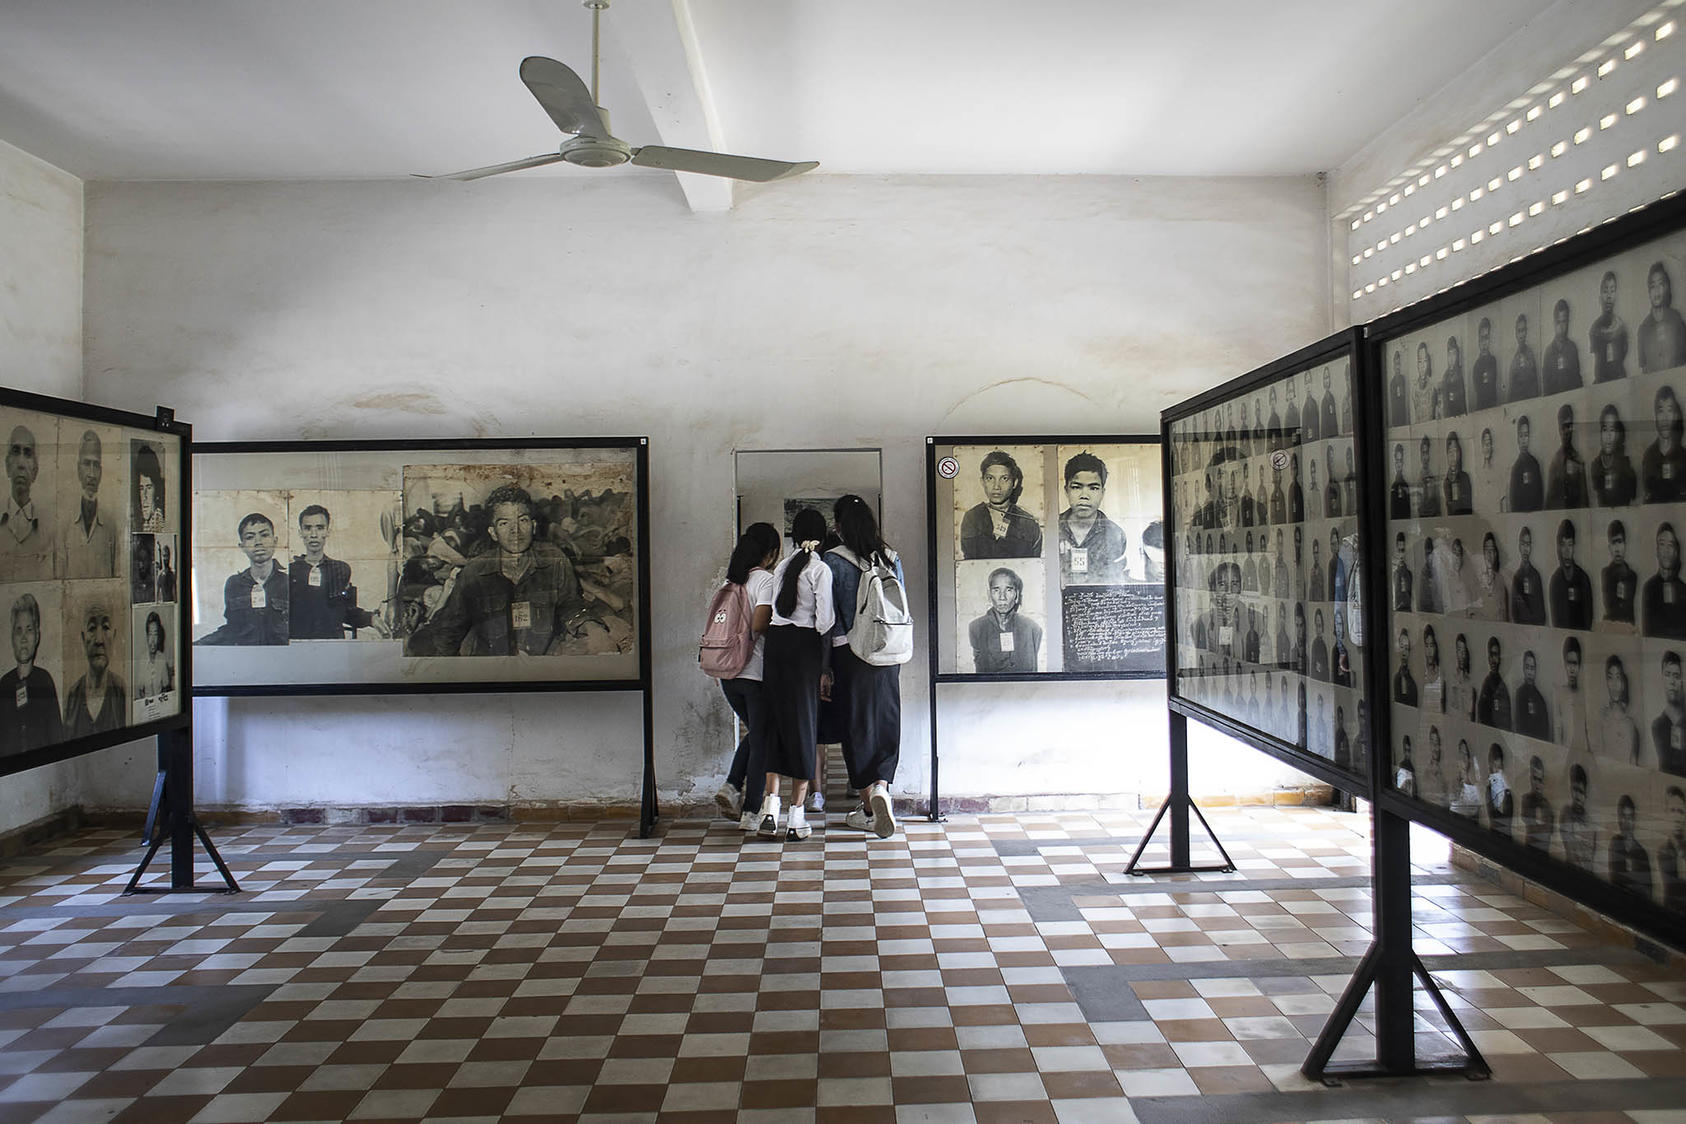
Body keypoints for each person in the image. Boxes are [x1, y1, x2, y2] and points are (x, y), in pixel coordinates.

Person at [407, 486, 584, 656]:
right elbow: (450, 628)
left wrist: (588, 625)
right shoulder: (475, 571)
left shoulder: (554, 560)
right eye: (504, 523)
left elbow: (571, 606)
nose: (515, 531)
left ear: (534, 525)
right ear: (493, 532)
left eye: (522, 520)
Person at [824, 496, 904, 840]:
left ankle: (869, 807)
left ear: (838, 527)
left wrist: (827, 665)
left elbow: (830, 619)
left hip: (850, 655)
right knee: (887, 720)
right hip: (888, 651)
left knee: (857, 727)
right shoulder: (890, 557)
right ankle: (883, 786)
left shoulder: (833, 560)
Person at [757, 509, 834, 842]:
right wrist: (826, 666)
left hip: (776, 646)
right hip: (804, 647)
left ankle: (769, 808)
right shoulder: (820, 569)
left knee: (775, 723)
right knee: (804, 725)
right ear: (823, 535)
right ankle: (796, 817)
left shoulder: (782, 567)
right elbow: (825, 621)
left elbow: (775, 611)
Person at [711, 523, 780, 831]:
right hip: (754, 671)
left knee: (757, 732)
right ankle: (750, 811)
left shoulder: (730, 580)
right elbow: (761, 622)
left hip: (727, 674)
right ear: (772, 553)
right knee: (762, 739)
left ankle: (731, 785)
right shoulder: (765, 579)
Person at [288, 504, 386, 640]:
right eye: (308, 528)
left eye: (320, 528)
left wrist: (371, 619)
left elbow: (346, 612)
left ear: (328, 531)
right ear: (300, 532)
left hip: (332, 645)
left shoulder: (340, 570)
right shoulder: (290, 572)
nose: (314, 534)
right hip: (299, 645)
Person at [196, 512, 290, 646]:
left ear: (275, 541)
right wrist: (198, 645)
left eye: (264, 535)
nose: (258, 542)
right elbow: (232, 630)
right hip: (245, 659)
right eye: (250, 537)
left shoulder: (289, 583)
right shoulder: (234, 584)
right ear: (242, 547)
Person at [0, 594, 61, 755]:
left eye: (29, 630)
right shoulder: (4, 684)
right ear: (12, 638)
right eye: (18, 630)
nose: (24, 638)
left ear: (37, 637)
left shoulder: (44, 681)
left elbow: (56, 740)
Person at [1056, 453, 1128, 584]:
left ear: (1102, 493)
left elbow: (1117, 583)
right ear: (1066, 490)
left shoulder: (1115, 535)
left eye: (1093, 488)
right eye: (1076, 487)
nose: (1084, 495)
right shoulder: (1051, 530)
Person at [960, 451, 1043, 559]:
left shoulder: (1028, 523)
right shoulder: (972, 518)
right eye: (990, 478)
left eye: (1004, 478)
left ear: (1014, 483)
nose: (996, 486)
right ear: (982, 481)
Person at [62, 598, 125, 737]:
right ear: (83, 638)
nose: (99, 640)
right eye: (92, 628)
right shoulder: (73, 696)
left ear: (113, 637)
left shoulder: (121, 690)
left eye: (106, 627)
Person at [1, 424, 54, 581]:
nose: (21, 464)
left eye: (28, 453)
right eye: (16, 452)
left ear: (35, 470)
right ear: (7, 465)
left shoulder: (49, 529)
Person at [63, 429, 117, 579]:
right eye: (87, 464)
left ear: (101, 471)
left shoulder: (111, 526)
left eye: (96, 465)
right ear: (78, 469)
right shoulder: (64, 525)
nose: (91, 474)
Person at [969, 566, 1041, 674]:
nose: (1002, 597)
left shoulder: (1031, 628)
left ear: (1016, 595)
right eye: (996, 590)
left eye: (1008, 590)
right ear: (989, 595)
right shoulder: (976, 628)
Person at [1638, 260, 1686, 373]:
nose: (1657, 290)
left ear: (1666, 288)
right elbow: (1643, 370)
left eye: (1660, 284)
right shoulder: (1643, 329)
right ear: (1649, 292)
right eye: (1653, 286)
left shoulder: (1677, 320)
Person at [1642, 385, 1686, 502]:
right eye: (1661, 411)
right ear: (1655, 416)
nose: (1665, 418)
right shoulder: (1648, 456)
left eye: (1670, 410)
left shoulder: (1683, 456)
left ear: (1676, 416)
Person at [1643, 522, 1686, 640]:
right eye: (1662, 544)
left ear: (1676, 552)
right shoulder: (1649, 588)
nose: (1666, 550)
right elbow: (1648, 632)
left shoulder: (1683, 589)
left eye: (1670, 545)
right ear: (1657, 551)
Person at [1596, 654, 1642, 765]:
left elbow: (1633, 764)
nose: (1614, 684)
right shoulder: (1601, 718)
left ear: (1623, 683)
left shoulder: (1631, 725)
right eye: (1610, 678)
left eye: (1618, 677)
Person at [1548, 519, 1593, 631]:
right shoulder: (1555, 580)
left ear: (1574, 546)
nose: (1567, 551)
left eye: (1570, 544)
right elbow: (1556, 622)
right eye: (1563, 545)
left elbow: (1588, 619)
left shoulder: (1583, 578)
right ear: (1558, 547)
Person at [1591, 404, 1637, 507]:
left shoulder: (1626, 467)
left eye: (1612, 430)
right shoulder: (1595, 466)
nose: (1608, 436)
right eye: (1604, 430)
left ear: (1618, 434)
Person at [1609, 794, 1653, 899]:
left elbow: (1648, 890)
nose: (1627, 822)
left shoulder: (1642, 853)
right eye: (1623, 817)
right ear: (1619, 819)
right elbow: (1614, 878)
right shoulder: (1615, 843)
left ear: (1634, 820)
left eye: (1630, 817)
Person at [1589, 269, 1629, 382]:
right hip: (1601, 381)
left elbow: (1624, 352)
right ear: (1600, 295)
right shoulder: (1595, 328)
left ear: (1616, 294)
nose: (1609, 296)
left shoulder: (1622, 327)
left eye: (1612, 290)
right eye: (1606, 291)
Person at [1545, 404, 1588, 510]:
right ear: (1559, 429)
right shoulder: (1555, 462)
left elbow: (1585, 499)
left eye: (1569, 426)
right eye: (1563, 427)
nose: (1566, 432)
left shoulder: (1578, 459)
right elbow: (1549, 502)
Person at [1555, 637, 1591, 753]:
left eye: (1575, 663)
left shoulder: (1585, 694)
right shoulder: (1559, 694)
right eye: (1569, 663)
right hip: (1566, 752)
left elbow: (1588, 729)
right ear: (1564, 664)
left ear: (1579, 665)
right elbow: (1558, 729)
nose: (1571, 669)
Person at [1560, 764, 1599, 870]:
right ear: (1570, 789)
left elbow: (1590, 857)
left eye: (1580, 792)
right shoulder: (1566, 813)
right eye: (1575, 789)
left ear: (1585, 794)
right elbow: (1572, 850)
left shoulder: (1591, 824)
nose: (1577, 795)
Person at [1653, 650, 1686, 775]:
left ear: (1681, 680)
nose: (1672, 681)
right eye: (1668, 674)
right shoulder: (1658, 725)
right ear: (1661, 677)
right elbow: (1666, 768)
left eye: (1676, 676)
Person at [1543, 298, 1583, 395]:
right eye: (1558, 322)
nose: (1561, 327)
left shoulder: (1572, 348)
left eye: (1564, 321)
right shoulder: (1548, 352)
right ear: (1553, 323)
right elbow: (1546, 387)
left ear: (1568, 322)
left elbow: (1578, 381)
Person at [1603, 519, 1639, 625]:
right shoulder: (1605, 574)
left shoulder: (1632, 576)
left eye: (1620, 542)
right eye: (1614, 543)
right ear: (1609, 547)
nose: (1617, 549)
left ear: (1625, 545)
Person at [1510, 526, 1547, 625]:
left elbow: (1542, 613)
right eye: (1523, 544)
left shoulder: (1536, 576)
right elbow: (1514, 612)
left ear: (1531, 547)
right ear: (1519, 546)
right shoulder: (1516, 577)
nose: (1525, 549)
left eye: (1528, 544)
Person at [134, 611, 174, 700]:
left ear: (159, 637)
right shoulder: (142, 660)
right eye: (150, 634)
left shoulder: (162, 659)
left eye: (155, 634)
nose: (152, 640)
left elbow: (165, 688)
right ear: (147, 636)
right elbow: (141, 690)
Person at [1508, 415, 1544, 512]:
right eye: (1521, 436)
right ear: (1517, 439)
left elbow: (1540, 496)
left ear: (1529, 437)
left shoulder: (1535, 464)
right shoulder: (1516, 468)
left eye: (1526, 435)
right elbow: (1514, 503)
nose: (1524, 440)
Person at [1514, 650, 1551, 740]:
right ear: (1523, 668)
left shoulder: (1540, 698)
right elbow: (1519, 726)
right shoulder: (1519, 693)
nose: (1530, 672)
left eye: (1532, 668)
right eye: (1527, 667)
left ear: (1535, 670)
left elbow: (1545, 730)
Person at [1478, 636, 1512, 730]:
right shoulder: (1487, 684)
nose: (1493, 659)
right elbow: (1482, 715)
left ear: (1500, 657)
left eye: (1496, 655)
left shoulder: (1502, 685)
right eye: (1491, 655)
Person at [1521, 756, 1555, 851]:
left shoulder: (1546, 804)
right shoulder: (1526, 799)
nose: (1537, 784)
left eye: (1540, 780)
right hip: (1531, 849)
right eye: (1535, 779)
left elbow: (1549, 830)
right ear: (1530, 778)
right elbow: (1533, 828)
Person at [1660, 785, 1686, 912]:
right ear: (1666, 814)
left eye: (1681, 811)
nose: (1676, 817)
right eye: (1673, 810)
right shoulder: (1663, 851)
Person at [1473, 532, 1509, 621]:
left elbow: (1504, 612)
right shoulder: (1478, 580)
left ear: (1495, 554)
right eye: (1486, 550)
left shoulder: (1501, 580)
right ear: (1483, 553)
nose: (1489, 554)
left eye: (1492, 550)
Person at [132, 441, 166, 533]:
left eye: (149, 487)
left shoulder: (159, 522)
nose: (144, 496)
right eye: (141, 489)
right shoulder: (143, 523)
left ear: (156, 489)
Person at [1508, 313, 1541, 401]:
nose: (1521, 335)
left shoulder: (1530, 354)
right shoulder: (1514, 358)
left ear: (1526, 332)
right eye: (1519, 331)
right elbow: (1511, 388)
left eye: (1523, 330)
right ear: (1516, 333)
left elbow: (1535, 384)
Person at [1485, 743, 1515, 837]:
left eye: (1499, 767)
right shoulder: (1489, 790)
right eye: (1494, 765)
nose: (1497, 771)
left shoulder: (1507, 791)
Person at [1471, 317, 1501, 409]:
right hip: (1481, 407)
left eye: (1486, 337)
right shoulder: (1476, 365)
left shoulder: (1493, 361)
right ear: (1478, 340)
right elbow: (1479, 390)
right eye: (1482, 338)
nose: (1484, 342)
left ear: (1490, 339)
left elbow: (1493, 385)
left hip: (1493, 405)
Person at [1451, 740, 1481, 819]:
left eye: (1465, 754)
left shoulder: (1475, 790)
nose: (1463, 758)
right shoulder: (1455, 784)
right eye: (1461, 753)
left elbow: (1471, 811)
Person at [1443, 432, 1473, 515]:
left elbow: (1467, 505)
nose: (1453, 455)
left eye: (1455, 451)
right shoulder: (1446, 481)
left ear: (1459, 453)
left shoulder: (1464, 477)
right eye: (1450, 452)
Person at [1449, 634, 1477, 720]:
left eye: (1464, 651)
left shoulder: (1470, 684)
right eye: (1459, 650)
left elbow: (1471, 714)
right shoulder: (1451, 680)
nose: (1462, 655)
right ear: (1456, 652)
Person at [1412, 341, 1439, 423]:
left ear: (1428, 362)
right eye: (1420, 361)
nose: (1422, 366)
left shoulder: (1433, 387)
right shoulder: (1414, 389)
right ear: (1417, 364)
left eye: (1425, 361)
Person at [1442, 334, 1468, 417]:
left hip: (1461, 413)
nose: (1451, 358)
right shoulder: (1445, 376)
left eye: (1454, 354)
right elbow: (1445, 402)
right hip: (1449, 414)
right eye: (1449, 354)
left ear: (1457, 355)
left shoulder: (1461, 373)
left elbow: (1463, 399)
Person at [1415, 436, 1440, 518]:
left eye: (1427, 453)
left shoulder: (1433, 476)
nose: (1425, 457)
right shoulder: (1419, 477)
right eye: (1423, 453)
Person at [1394, 628, 1417, 706]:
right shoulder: (1397, 677)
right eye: (1401, 647)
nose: (1403, 652)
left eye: (1406, 648)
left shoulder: (1413, 676)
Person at [1387, 348, 1410, 427]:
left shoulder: (1403, 379)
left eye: (1399, 364)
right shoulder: (1392, 383)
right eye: (1396, 364)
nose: (1397, 367)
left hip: (1404, 415)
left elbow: (1405, 396)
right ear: (1393, 366)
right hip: (1396, 418)